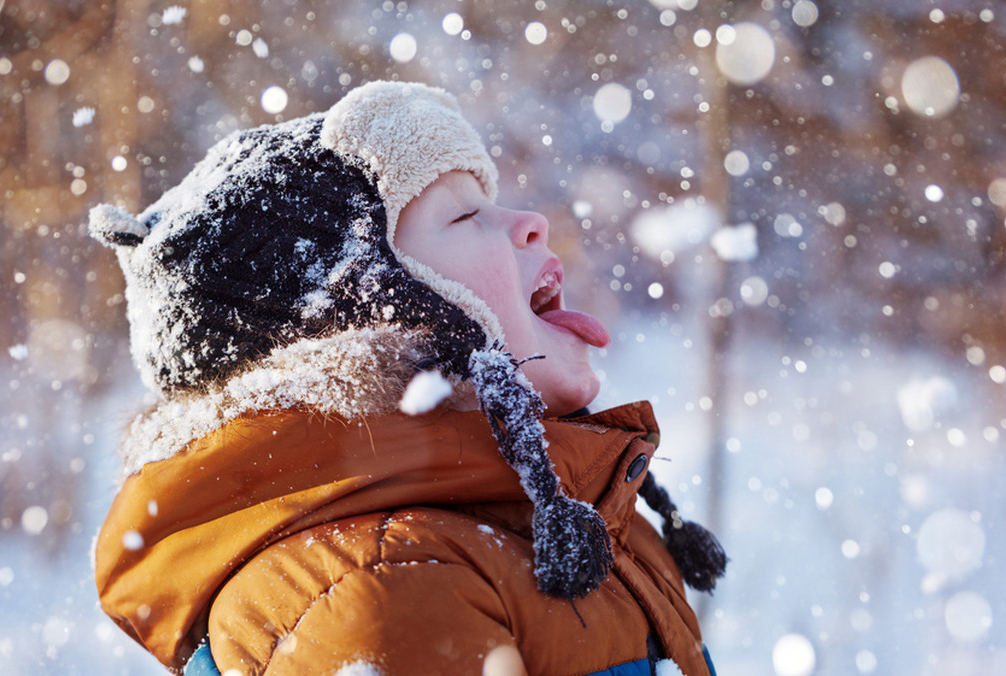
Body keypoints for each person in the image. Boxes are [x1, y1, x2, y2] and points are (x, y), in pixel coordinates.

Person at [90, 80, 725, 676]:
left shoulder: (551, 512)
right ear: (366, 319)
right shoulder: (379, 588)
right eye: (461, 216)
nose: (531, 220)